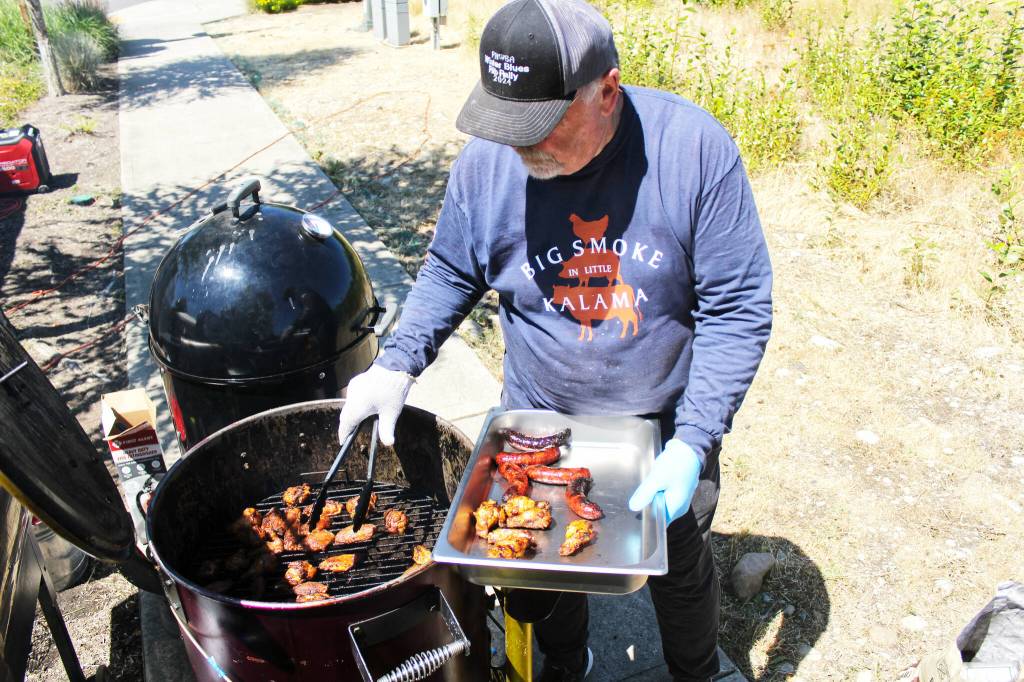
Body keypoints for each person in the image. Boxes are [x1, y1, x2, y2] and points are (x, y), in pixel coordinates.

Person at [337, 0, 773, 679]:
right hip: (537, 416)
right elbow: (454, 266)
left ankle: (698, 670)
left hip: (662, 421)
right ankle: (568, 664)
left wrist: (694, 440)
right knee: (540, 573)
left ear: (607, 91)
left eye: (539, 125)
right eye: (506, 122)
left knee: (680, 565)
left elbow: (738, 305)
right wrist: (396, 363)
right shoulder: (487, 166)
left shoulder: (693, 152)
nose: (518, 145)